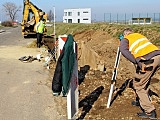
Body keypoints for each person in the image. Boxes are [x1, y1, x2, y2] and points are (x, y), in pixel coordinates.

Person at [119, 28, 160, 119]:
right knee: (144, 80)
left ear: (125, 34)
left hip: (148, 60)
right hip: (157, 56)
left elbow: (123, 50)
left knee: (138, 85)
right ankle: (141, 101)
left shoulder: (126, 39)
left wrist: (136, 61)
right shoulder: (139, 35)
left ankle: (149, 111)